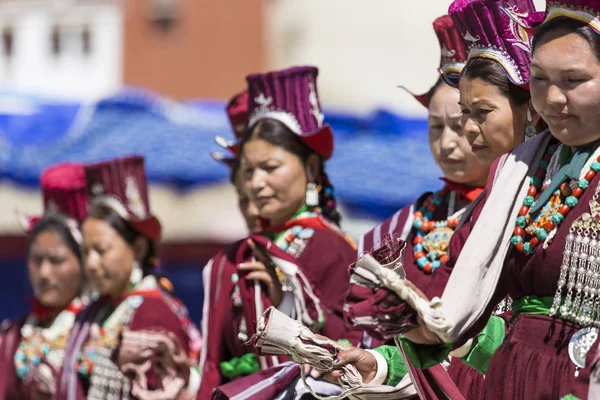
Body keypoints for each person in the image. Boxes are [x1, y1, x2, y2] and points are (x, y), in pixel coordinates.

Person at [372, 0, 600, 398]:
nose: (553, 99)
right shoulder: (520, 172)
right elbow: (476, 322)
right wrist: (383, 362)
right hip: (510, 381)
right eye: (541, 79)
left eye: (573, 80)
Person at [335, 0, 544, 397]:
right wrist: (381, 362)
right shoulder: (410, 223)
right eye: (441, 124)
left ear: (529, 109)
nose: (459, 135)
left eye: (479, 113)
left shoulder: (560, 199)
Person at [198, 66, 362, 398]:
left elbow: (355, 351)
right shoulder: (232, 258)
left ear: (311, 168)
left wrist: (287, 299)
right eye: (248, 171)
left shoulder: (332, 249)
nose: (257, 183)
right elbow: (214, 361)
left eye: (270, 168)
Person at [54, 155, 200, 400]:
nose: (90, 263)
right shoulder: (97, 310)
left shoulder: (153, 313)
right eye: (85, 251)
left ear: (139, 248)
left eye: (101, 250)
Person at [0, 162, 88, 399]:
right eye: (36, 260)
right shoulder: (12, 337)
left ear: (83, 263)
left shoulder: (98, 332)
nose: (44, 273)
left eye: (56, 260)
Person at [211, 90, 260, 233]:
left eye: (262, 197)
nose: (252, 211)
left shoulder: (323, 250)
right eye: (244, 200)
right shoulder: (237, 255)